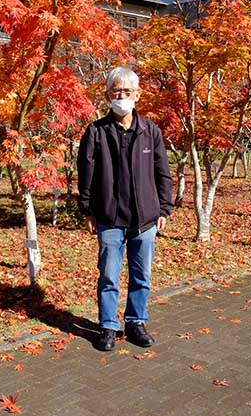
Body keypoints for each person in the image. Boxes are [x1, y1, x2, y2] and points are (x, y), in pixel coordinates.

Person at [77, 66, 173, 351]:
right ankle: (108, 326)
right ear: (108, 95)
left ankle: (135, 323)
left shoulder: (150, 131)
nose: (121, 96)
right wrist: (88, 210)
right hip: (109, 218)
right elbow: (86, 173)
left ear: (137, 95)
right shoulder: (96, 131)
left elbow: (162, 172)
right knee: (108, 274)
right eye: (116, 91)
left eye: (127, 91)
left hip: (145, 219)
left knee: (141, 275)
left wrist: (164, 209)